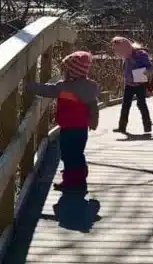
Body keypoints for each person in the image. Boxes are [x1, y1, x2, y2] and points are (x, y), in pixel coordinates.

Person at [26, 50, 99, 191]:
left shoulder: (64, 87)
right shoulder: (89, 87)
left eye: (66, 69)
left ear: (72, 71)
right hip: (81, 128)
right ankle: (80, 178)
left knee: (67, 154)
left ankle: (71, 182)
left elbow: (47, 90)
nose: (64, 71)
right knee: (77, 153)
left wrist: (30, 86)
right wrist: (93, 122)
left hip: (68, 127)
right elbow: (93, 107)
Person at [110, 36, 153, 135]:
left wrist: (141, 71)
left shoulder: (141, 54)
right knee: (125, 105)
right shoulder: (126, 56)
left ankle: (147, 126)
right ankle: (122, 127)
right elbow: (125, 68)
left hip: (140, 83)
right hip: (129, 83)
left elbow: (149, 67)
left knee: (141, 104)